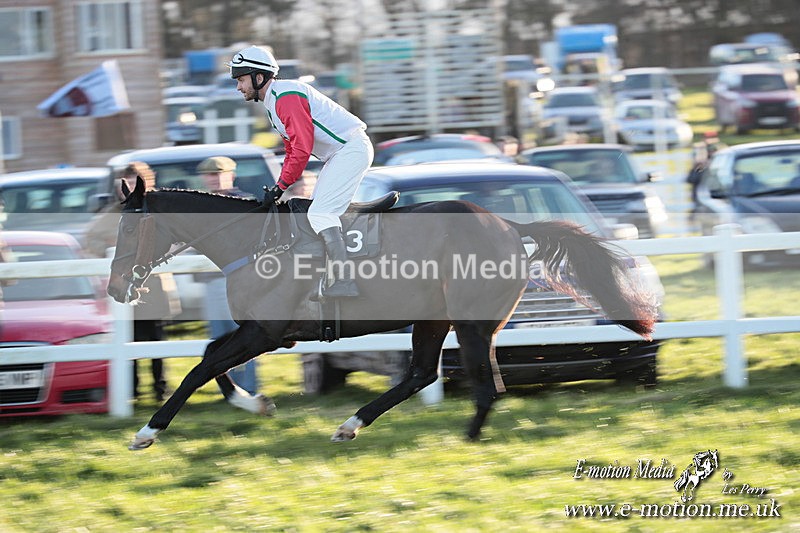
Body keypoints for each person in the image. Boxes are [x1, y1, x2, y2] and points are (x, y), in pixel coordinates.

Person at [229, 45, 374, 298]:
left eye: (241, 79)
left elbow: (302, 147)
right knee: (315, 212)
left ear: (259, 77)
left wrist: (282, 186)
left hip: (350, 150)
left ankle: (345, 281)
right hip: (340, 154)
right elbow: (290, 149)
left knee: (320, 214)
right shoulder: (273, 104)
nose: (239, 87)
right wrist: (279, 186)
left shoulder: (285, 97)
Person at [84, 162, 177, 402]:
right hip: (124, 282)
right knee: (129, 336)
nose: (129, 187)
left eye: (135, 182)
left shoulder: (158, 209)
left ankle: (160, 388)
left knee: (156, 337)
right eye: (125, 183)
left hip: (153, 284)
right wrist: (113, 246)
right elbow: (90, 239)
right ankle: (132, 389)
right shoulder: (115, 212)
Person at [195, 156, 259, 395]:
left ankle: (249, 388)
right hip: (213, 281)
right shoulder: (199, 207)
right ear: (204, 178)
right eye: (211, 175)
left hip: (243, 283)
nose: (215, 179)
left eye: (219, 174)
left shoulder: (245, 203)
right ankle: (229, 392)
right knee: (219, 338)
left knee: (246, 336)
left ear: (231, 175)